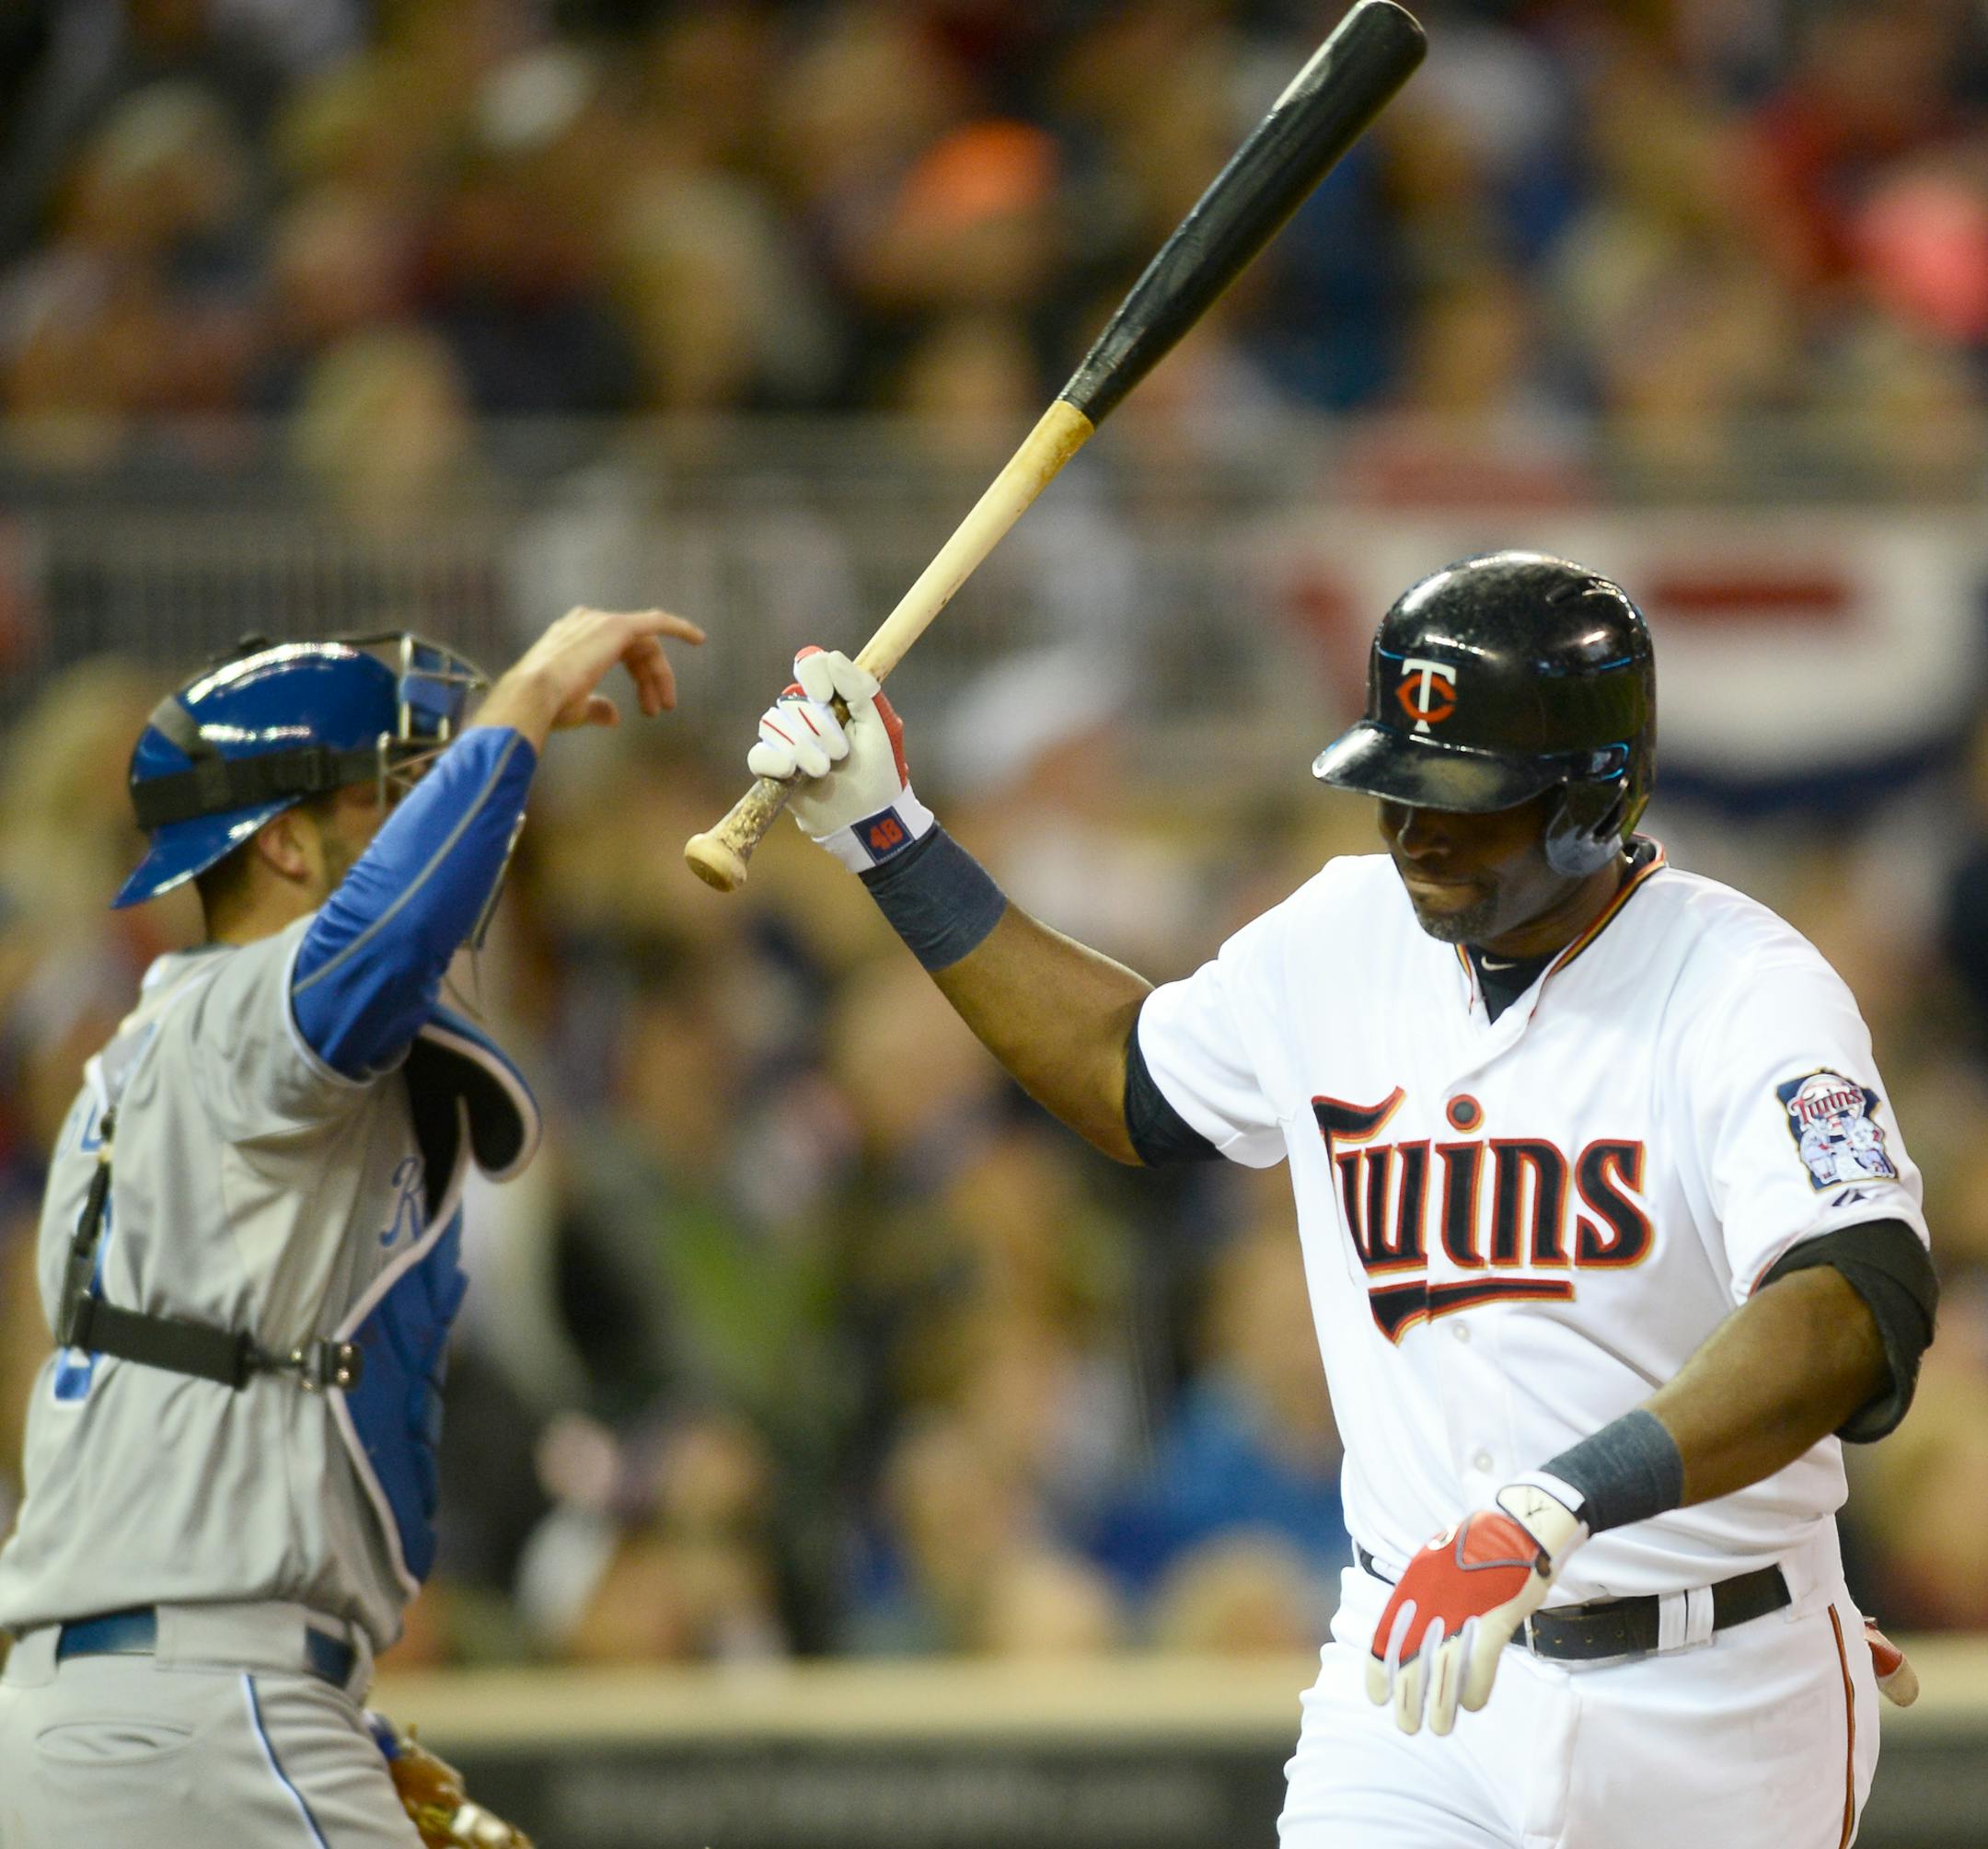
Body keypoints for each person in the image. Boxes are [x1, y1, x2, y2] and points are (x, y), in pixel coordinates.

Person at [743, 554, 1937, 1847]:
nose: (1414, 831)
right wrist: (889, 836)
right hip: (1413, 1672)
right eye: (1398, 788)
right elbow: (1123, 1074)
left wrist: (1557, 1505)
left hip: (1718, 1687)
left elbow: (1854, 1305)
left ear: (1594, 796)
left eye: (1463, 800)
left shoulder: (1745, 985)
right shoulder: (1339, 935)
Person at [0, 607, 703, 1846]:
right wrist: (525, 701)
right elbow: (375, 945)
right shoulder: (248, 1015)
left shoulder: (135, 1063)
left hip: (100, 1714)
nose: (411, 825)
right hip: (209, 1715)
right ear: (282, 844)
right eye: (382, 796)